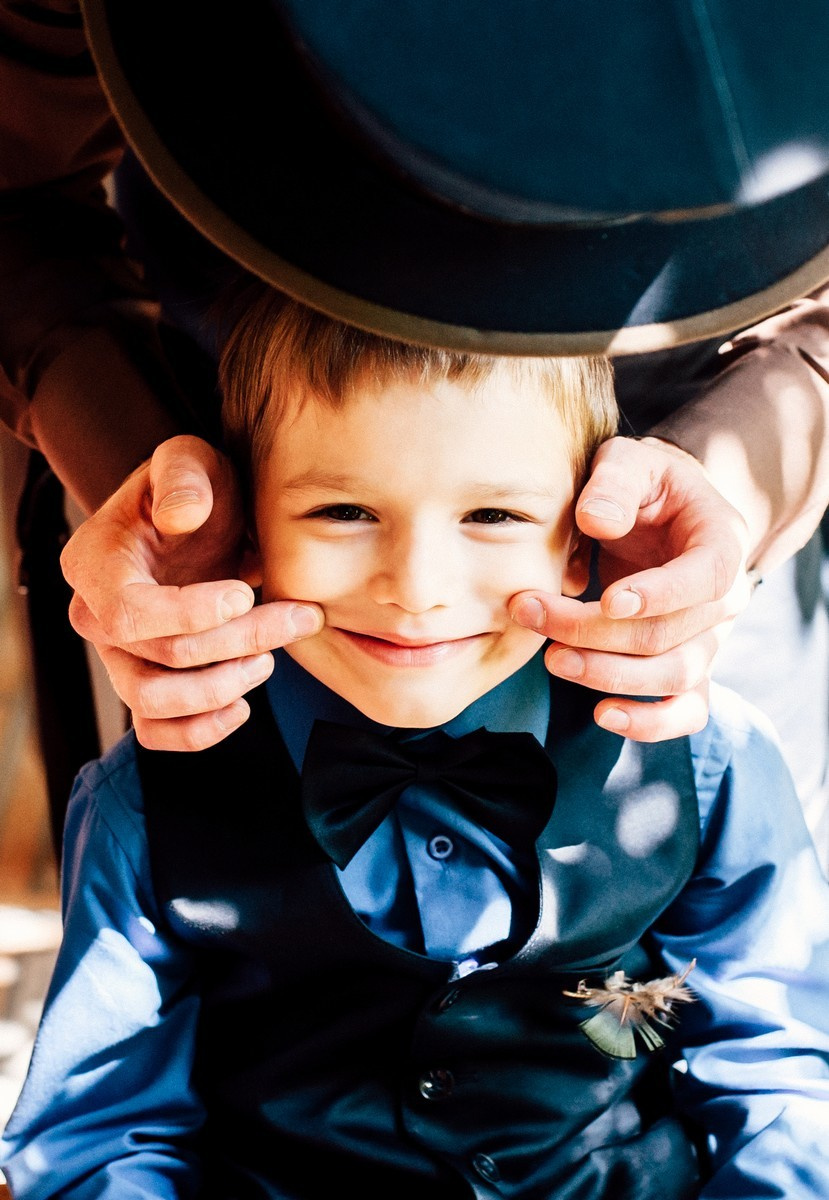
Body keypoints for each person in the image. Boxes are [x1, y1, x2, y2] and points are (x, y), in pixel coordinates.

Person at [2, 293, 827, 1199]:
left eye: (494, 517)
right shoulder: (146, 802)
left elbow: (774, 1067)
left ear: (586, 541)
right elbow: (103, 1131)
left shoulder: (707, 763)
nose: (418, 589)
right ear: (244, 533)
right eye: (345, 511)